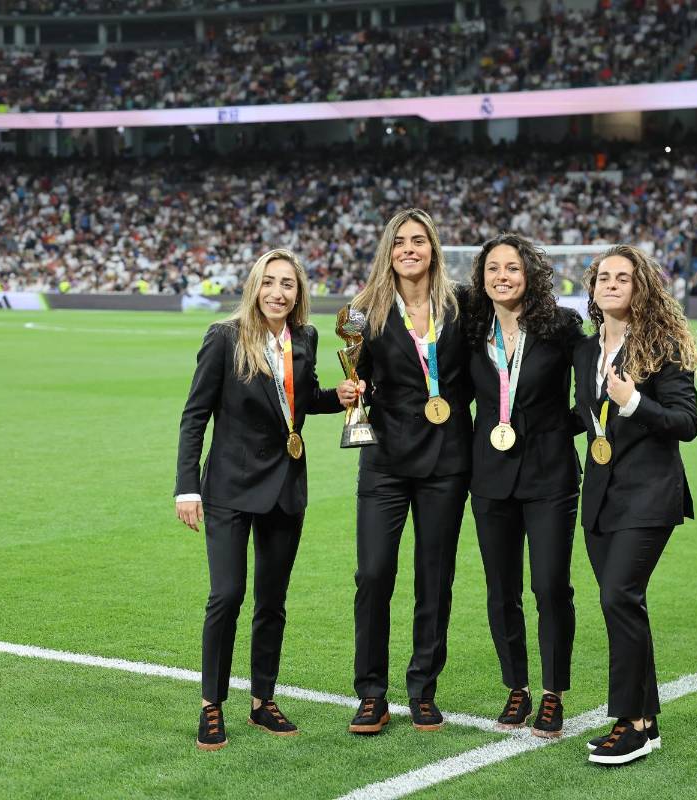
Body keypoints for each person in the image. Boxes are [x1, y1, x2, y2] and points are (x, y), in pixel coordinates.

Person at [175, 248, 350, 751]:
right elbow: (195, 417)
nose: (278, 292)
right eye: (269, 282)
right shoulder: (224, 338)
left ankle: (263, 700)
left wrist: (335, 398)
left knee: (272, 602)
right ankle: (212, 703)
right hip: (229, 487)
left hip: (286, 486)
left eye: (288, 285)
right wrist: (187, 485)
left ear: (299, 293)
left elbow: (302, 398)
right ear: (254, 286)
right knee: (227, 596)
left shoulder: (307, 338)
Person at [337, 208, 472, 734]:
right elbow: (357, 375)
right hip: (386, 462)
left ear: (433, 248)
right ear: (387, 252)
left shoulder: (461, 307)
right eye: (400, 242)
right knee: (372, 575)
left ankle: (422, 688)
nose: (409, 250)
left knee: (434, 579)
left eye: (419, 241)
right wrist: (352, 393)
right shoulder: (362, 312)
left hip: (447, 461)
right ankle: (371, 692)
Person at [572, 244, 697, 766]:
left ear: (639, 287)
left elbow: (686, 423)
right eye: (603, 277)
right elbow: (583, 417)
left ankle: (626, 723)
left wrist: (634, 402)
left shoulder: (663, 345)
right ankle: (647, 721)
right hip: (600, 497)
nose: (610, 284)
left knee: (618, 598)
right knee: (625, 603)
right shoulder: (586, 351)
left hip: (650, 495)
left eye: (622, 278)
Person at [465, 233, 585, 737]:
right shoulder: (472, 329)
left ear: (529, 274)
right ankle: (517, 687)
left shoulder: (562, 327)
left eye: (512, 268)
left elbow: (595, 388)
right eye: (493, 268)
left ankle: (553, 691)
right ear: (482, 277)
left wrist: (559, 430)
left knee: (550, 586)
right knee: (502, 590)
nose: (502, 277)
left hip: (549, 475)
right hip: (490, 478)